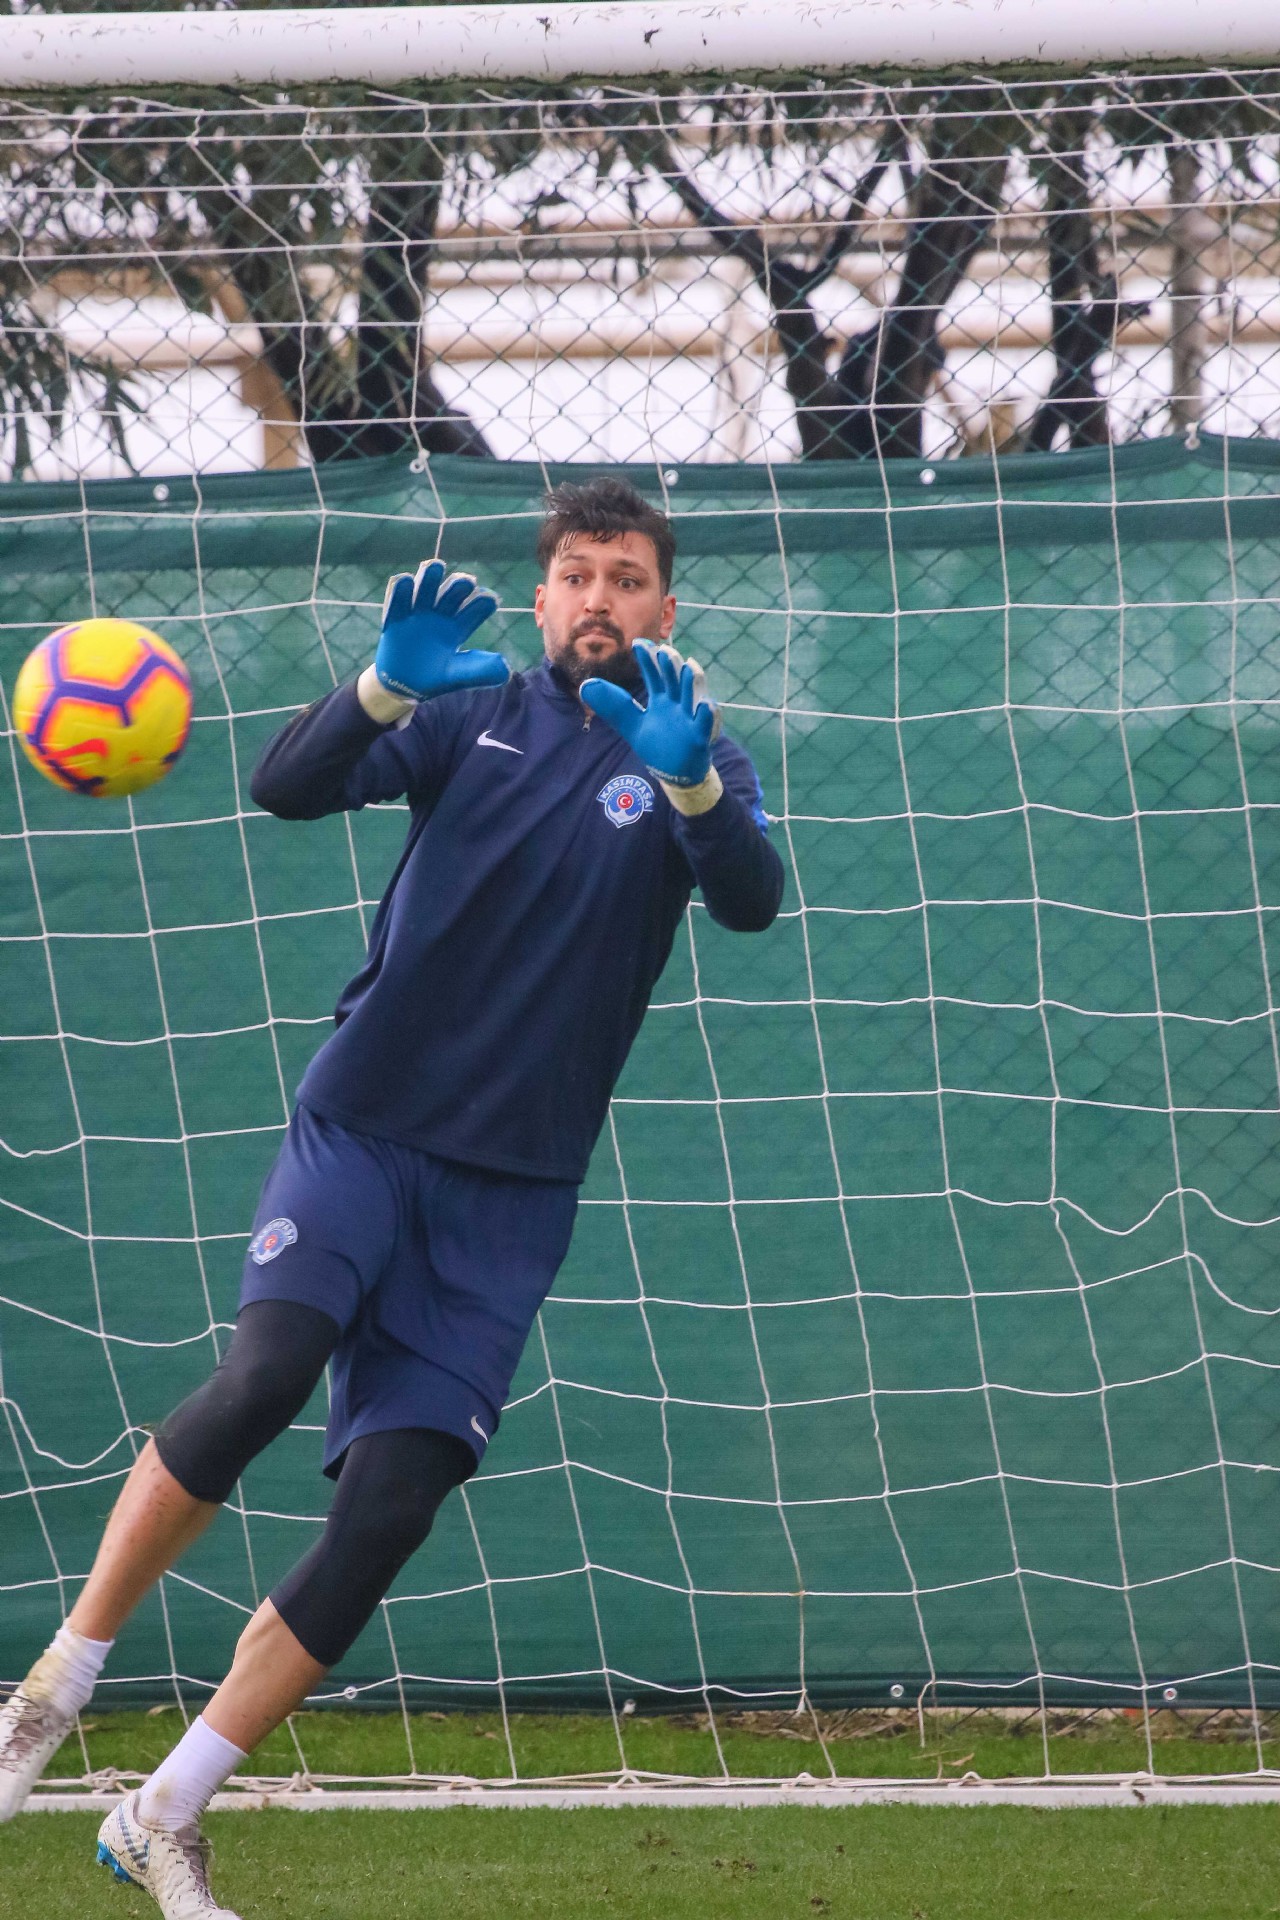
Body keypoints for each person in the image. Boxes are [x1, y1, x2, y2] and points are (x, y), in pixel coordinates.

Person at [0, 476, 783, 1917]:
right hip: (363, 1132)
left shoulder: (697, 755)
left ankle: (164, 1813)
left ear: (665, 609)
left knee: (392, 1509)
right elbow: (285, 786)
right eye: (576, 574)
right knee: (265, 1376)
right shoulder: (466, 709)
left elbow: (749, 897)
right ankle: (52, 1688)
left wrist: (688, 783)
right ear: (540, 596)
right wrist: (378, 687)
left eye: (626, 579)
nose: (599, 599)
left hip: (511, 1195)